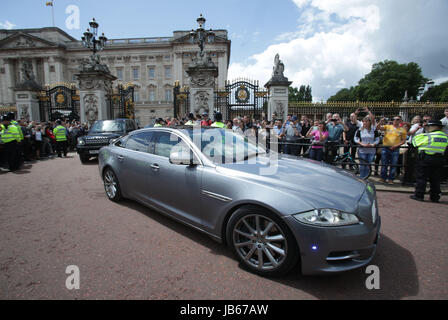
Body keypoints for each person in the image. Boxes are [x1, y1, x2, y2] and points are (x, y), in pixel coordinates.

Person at [410, 120, 448, 203]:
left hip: (426, 158)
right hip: (439, 159)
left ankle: (419, 195)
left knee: (422, 178)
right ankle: (435, 197)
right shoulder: (445, 137)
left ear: (432, 126)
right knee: (435, 179)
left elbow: (415, 142)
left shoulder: (427, 136)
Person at [377, 115, 408, 184]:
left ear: (400, 121)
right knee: (384, 164)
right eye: (394, 119)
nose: (395, 120)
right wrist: (380, 122)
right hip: (386, 147)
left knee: (393, 164)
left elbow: (403, 141)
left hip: (395, 148)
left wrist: (396, 146)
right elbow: (378, 128)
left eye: (397, 119)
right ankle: (383, 178)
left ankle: (391, 179)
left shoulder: (402, 130)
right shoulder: (388, 127)